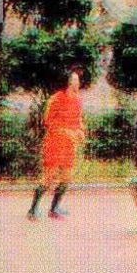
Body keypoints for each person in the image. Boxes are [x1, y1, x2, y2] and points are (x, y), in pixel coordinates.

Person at [30, 70, 85, 220]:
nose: (78, 82)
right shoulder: (56, 98)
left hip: (69, 145)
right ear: (68, 82)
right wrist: (67, 132)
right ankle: (33, 209)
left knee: (67, 177)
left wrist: (80, 130)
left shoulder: (78, 100)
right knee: (49, 177)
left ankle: (54, 209)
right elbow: (48, 121)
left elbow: (78, 119)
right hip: (54, 143)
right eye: (75, 80)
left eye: (78, 80)